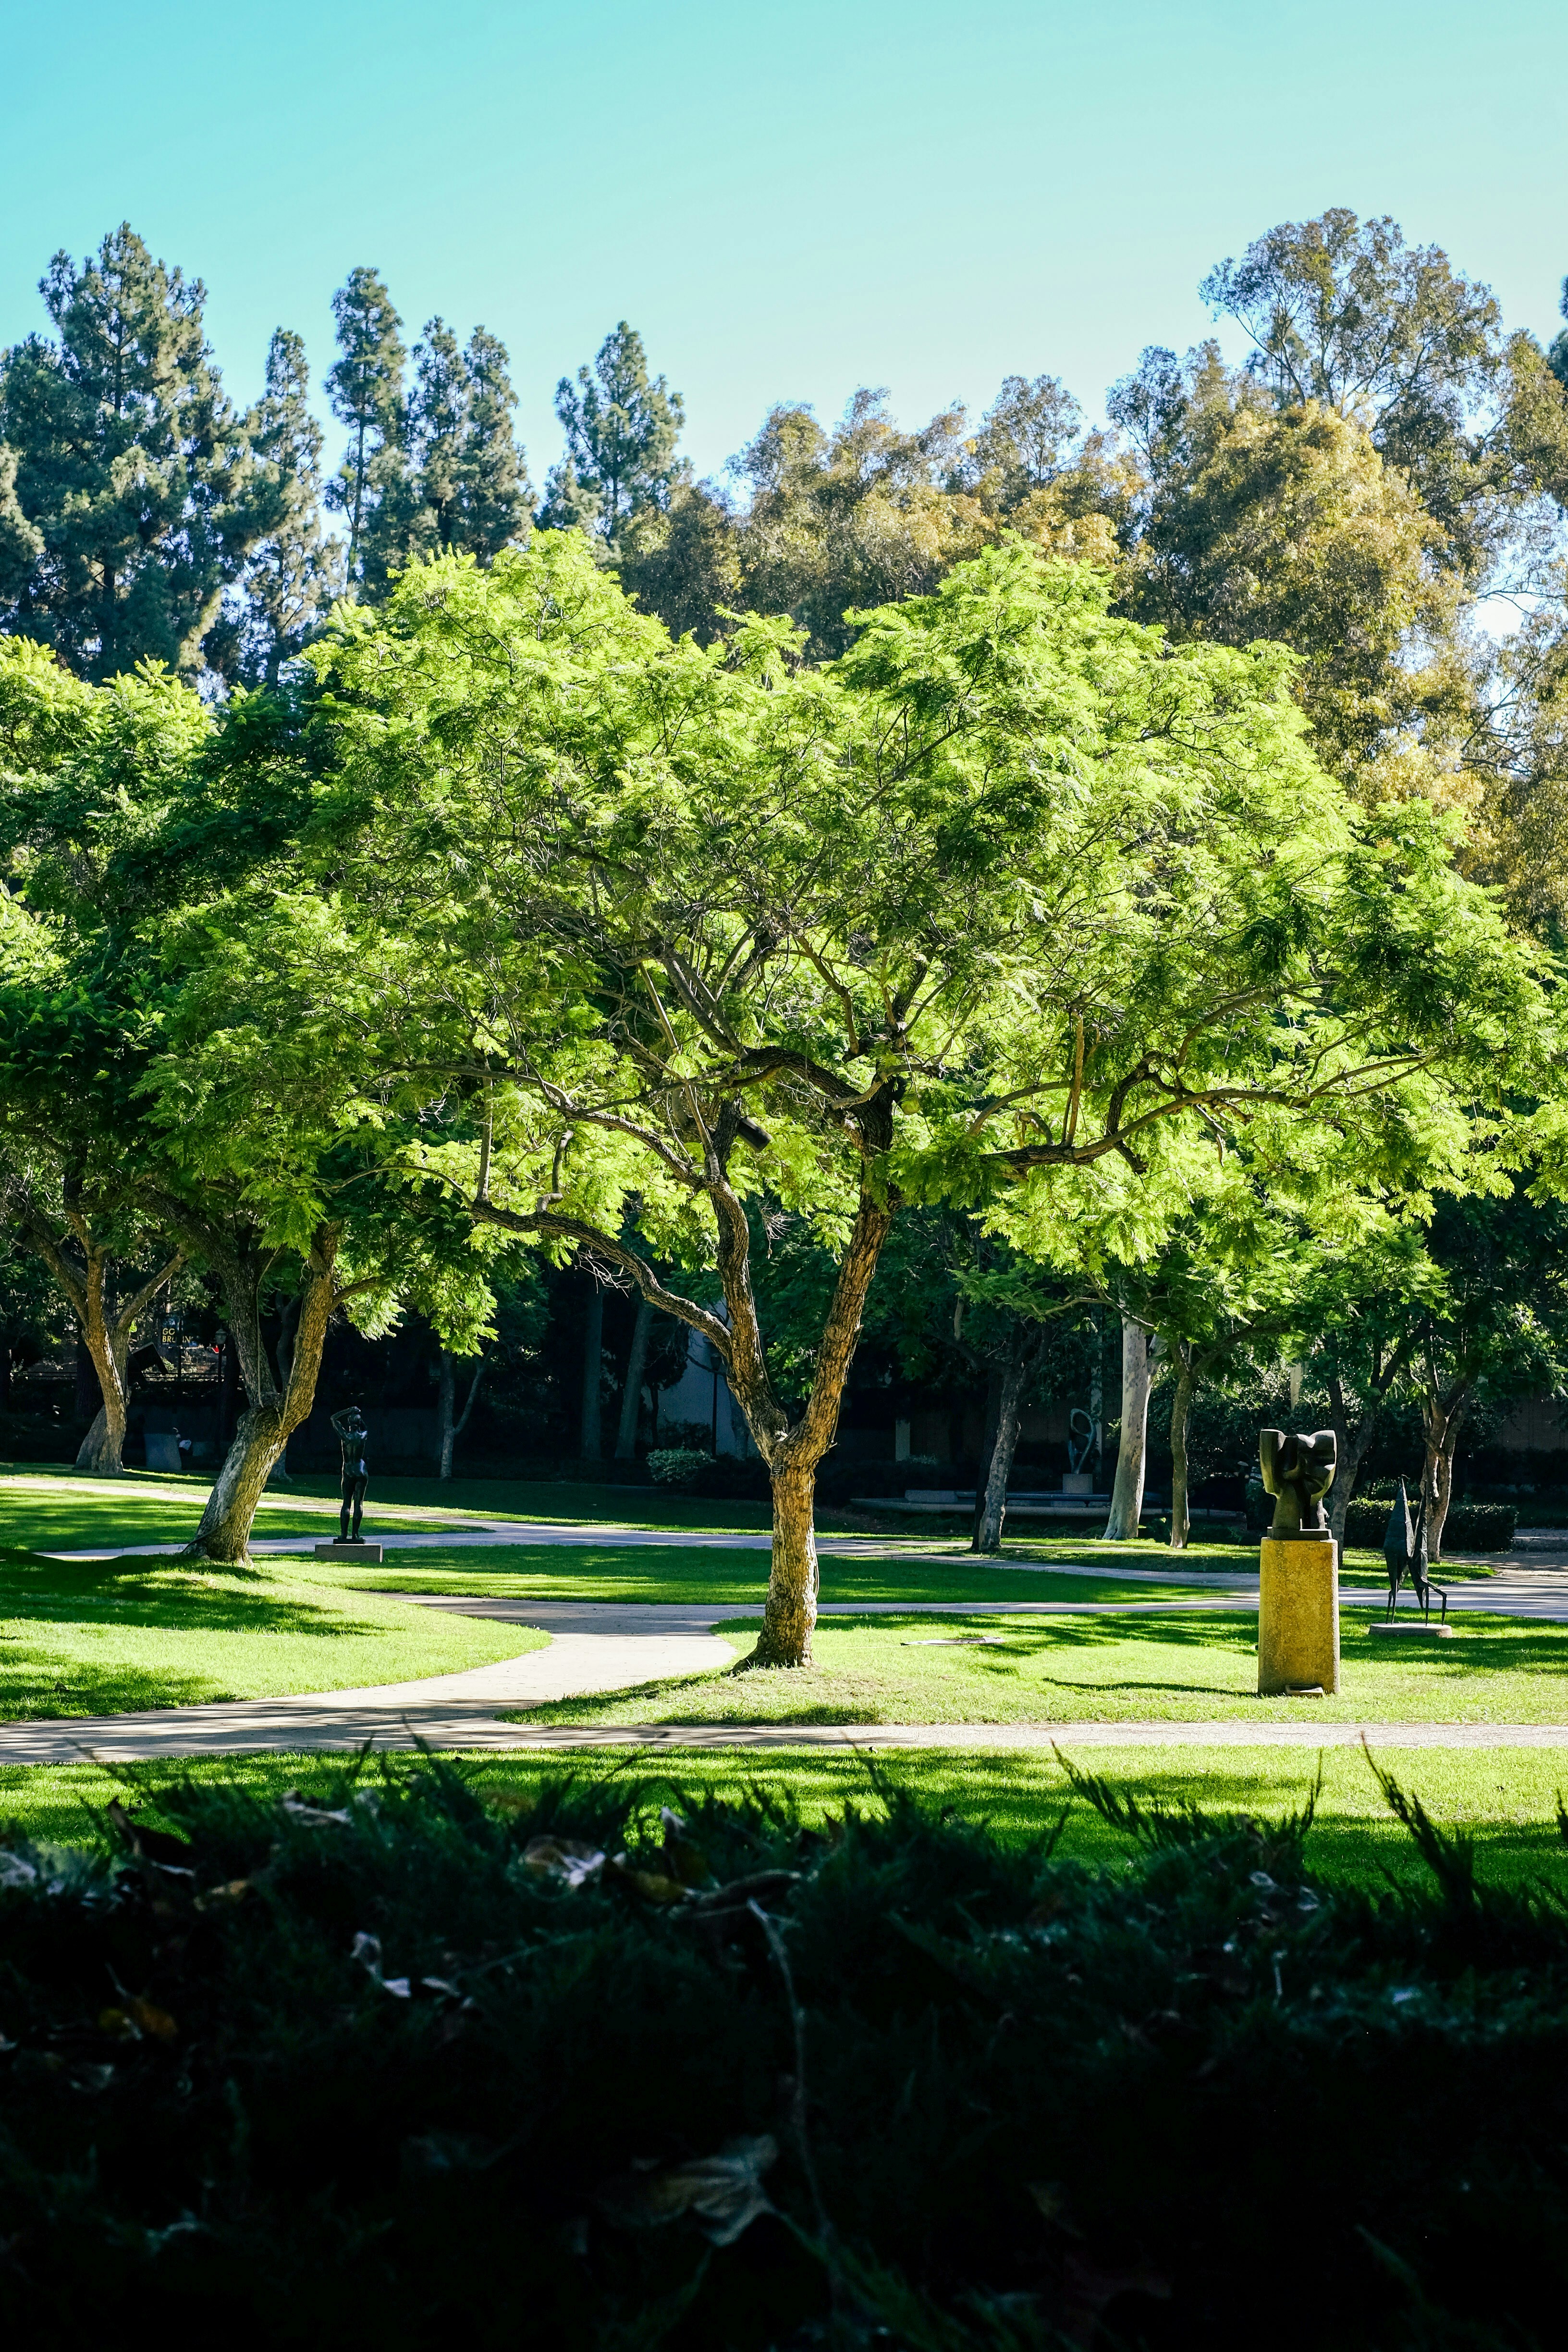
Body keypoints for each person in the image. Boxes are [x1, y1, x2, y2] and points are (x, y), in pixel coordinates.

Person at [331, 1406, 370, 1543]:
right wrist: (358, 1415)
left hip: (348, 1471)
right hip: (361, 1470)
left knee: (346, 1503)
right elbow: (365, 1427)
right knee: (359, 1503)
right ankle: (356, 1535)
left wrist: (348, 1411)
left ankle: (343, 1535)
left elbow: (333, 1418)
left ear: (349, 1424)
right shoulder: (363, 1435)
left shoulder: (345, 1436)